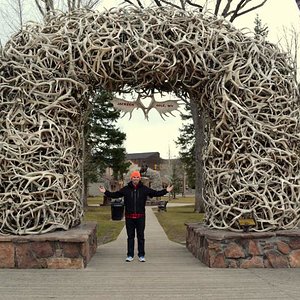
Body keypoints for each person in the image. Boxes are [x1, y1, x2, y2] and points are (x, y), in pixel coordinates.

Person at [98, 170, 173, 262]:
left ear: (139, 178)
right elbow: (115, 195)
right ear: (131, 178)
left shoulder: (144, 189)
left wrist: (166, 190)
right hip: (129, 217)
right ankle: (130, 255)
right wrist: (105, 191)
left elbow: (155, 193)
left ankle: (141, 255)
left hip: (140, 217)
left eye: (137, 177)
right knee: (130, 237)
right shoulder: (126, 189)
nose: (136, 178)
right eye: (134, 177)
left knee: (141, 236)